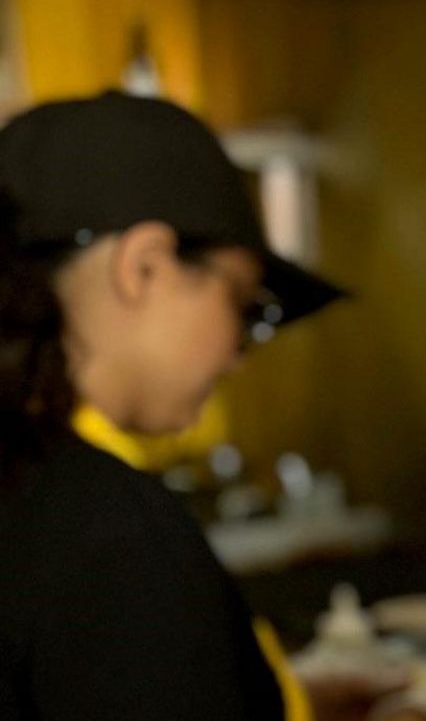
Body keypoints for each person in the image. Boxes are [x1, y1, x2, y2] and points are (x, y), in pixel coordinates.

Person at [0, 91, 344, 719]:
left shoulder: (34, 490)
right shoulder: (109, 536)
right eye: (241, 302)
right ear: (146, 266)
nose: (237, 354)